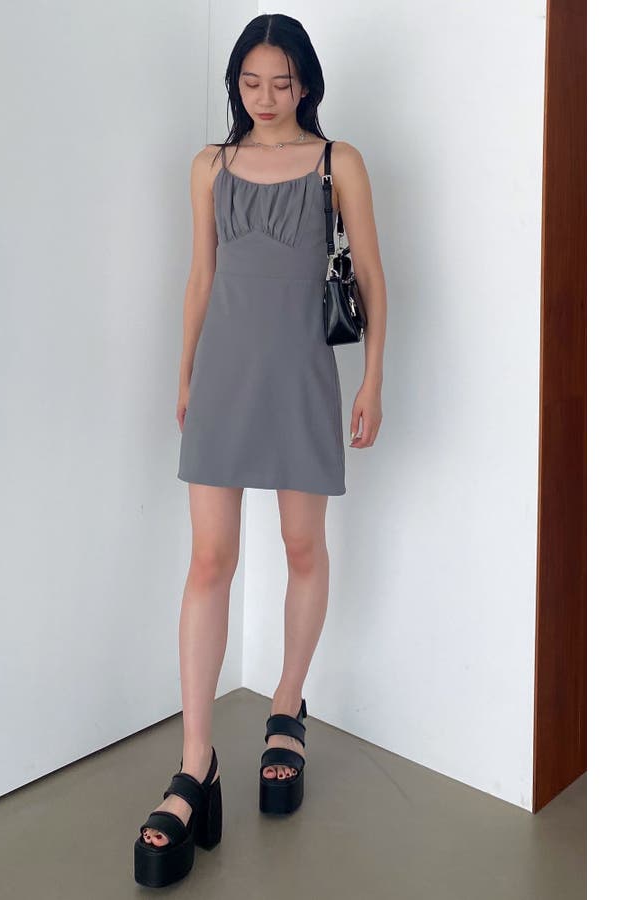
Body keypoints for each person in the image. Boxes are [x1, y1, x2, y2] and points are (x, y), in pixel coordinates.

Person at [134, 13, 385, 888]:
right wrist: (183, 372)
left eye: (282, 81)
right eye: (251, 81)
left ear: (305, 82)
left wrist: (373, 379)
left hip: (302, 377)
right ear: (235, 82)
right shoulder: (208, 166)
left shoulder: (338, 162)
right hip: (224, 377)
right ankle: (195, 764)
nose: (266, 97)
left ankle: (285, 710)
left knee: (303, 546)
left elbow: (371, 276)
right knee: (209, 560)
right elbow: (200, 274)